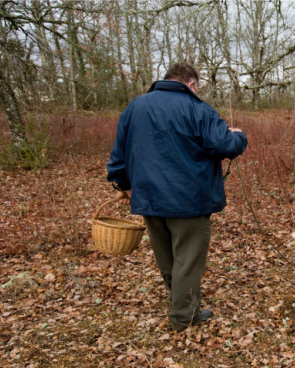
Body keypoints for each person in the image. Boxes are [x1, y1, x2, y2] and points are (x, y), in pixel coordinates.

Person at [106, 62, 247, 332]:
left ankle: (178, 302)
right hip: (189, 200)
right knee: (187, 258)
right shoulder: (198, 109)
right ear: (192, 84)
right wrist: (239, 136)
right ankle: (184, 317)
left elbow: (118, 156)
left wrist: (123, 185)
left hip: (150, 199)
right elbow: (224, 145)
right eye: (198, 87)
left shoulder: (134, 107)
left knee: (167, 256)